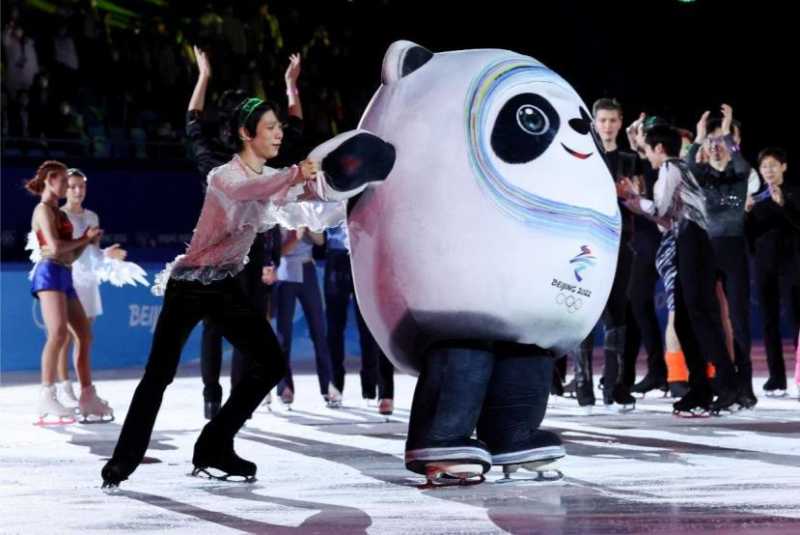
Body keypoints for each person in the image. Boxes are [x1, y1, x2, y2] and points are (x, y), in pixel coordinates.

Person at [101, 97, 319, 487]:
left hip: (224, 286)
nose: (279, 134)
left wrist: (336, 181)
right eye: (270, 127)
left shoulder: (271, 177)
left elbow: (303, 197)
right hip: (190, 284)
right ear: (246, 133)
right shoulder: (225, 176)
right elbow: (253, 188)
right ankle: (121, 463)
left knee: (270, 364)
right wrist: (294, 174)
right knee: (158, 376)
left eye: (279, 127)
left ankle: (214, 445)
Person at [186, 45, 304, 419]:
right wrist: (291, 86)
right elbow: (295, 129)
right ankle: (236, 397)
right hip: (246, 252)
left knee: (213, 327)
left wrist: (203, 76)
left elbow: (192, 121)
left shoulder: (211, 160)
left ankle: (212, 396)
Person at [620, 125, 738, 415]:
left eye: (648, 150)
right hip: (687, 241)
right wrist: (637, 202)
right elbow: (668, 218)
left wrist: (635, 199)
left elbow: (660, 211)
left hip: (693, 242)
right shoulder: (677, 169)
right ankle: (700, 388)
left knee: (700, 314)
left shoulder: (671, 168)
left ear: (659, 149)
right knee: (684, 321)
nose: (648, 157)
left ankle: (728, 386)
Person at [26, 160, 113, 425]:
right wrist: (83, 239)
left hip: (65, 274)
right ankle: (47, 394)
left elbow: (70, 255)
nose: (67, 186)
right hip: (49, 273)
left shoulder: (60, 215)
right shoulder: (42, 210)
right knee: (58, 334)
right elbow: (53, 248)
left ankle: (87, 396)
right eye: (63, 181)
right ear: (49, 180)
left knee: (84, 335)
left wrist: (88, 240)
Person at [55, 168, 147, 410]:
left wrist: (107, 254)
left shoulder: (92, 217)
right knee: (66, 337)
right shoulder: (58, 215)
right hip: (67, 279)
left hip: (88, 282)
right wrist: (87, 242)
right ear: (65, 189)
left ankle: (83, 389)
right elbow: (63, 250)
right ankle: (64, 387)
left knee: (84, 339)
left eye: (81, 186)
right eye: (73, 186)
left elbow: (93, 255)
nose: (78, 191)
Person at [745, 148, 800, 396]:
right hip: (764, 265)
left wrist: (784, 205)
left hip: (792, 264)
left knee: (796, 319)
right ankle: (776, 378)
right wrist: (746, 214)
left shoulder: (794, 193)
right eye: (764, 166)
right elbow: (749, 236)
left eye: (773, 165)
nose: (768, 170)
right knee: (769, 322)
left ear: (784, 167)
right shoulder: (756, 199)